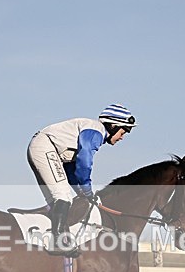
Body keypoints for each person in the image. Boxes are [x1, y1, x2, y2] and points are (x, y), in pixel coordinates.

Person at [26, 104, 137, 255]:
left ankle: (56, 240)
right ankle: (57, 242)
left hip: (43, 148)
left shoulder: (91, 134)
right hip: (45, 147)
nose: (122, 137)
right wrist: (87, 190)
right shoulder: (95, 132)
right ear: (113, 126)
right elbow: (84, 162)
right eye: (124, 131)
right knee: (63, 197)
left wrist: (82, 193)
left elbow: (72, 170)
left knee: (57, 200)